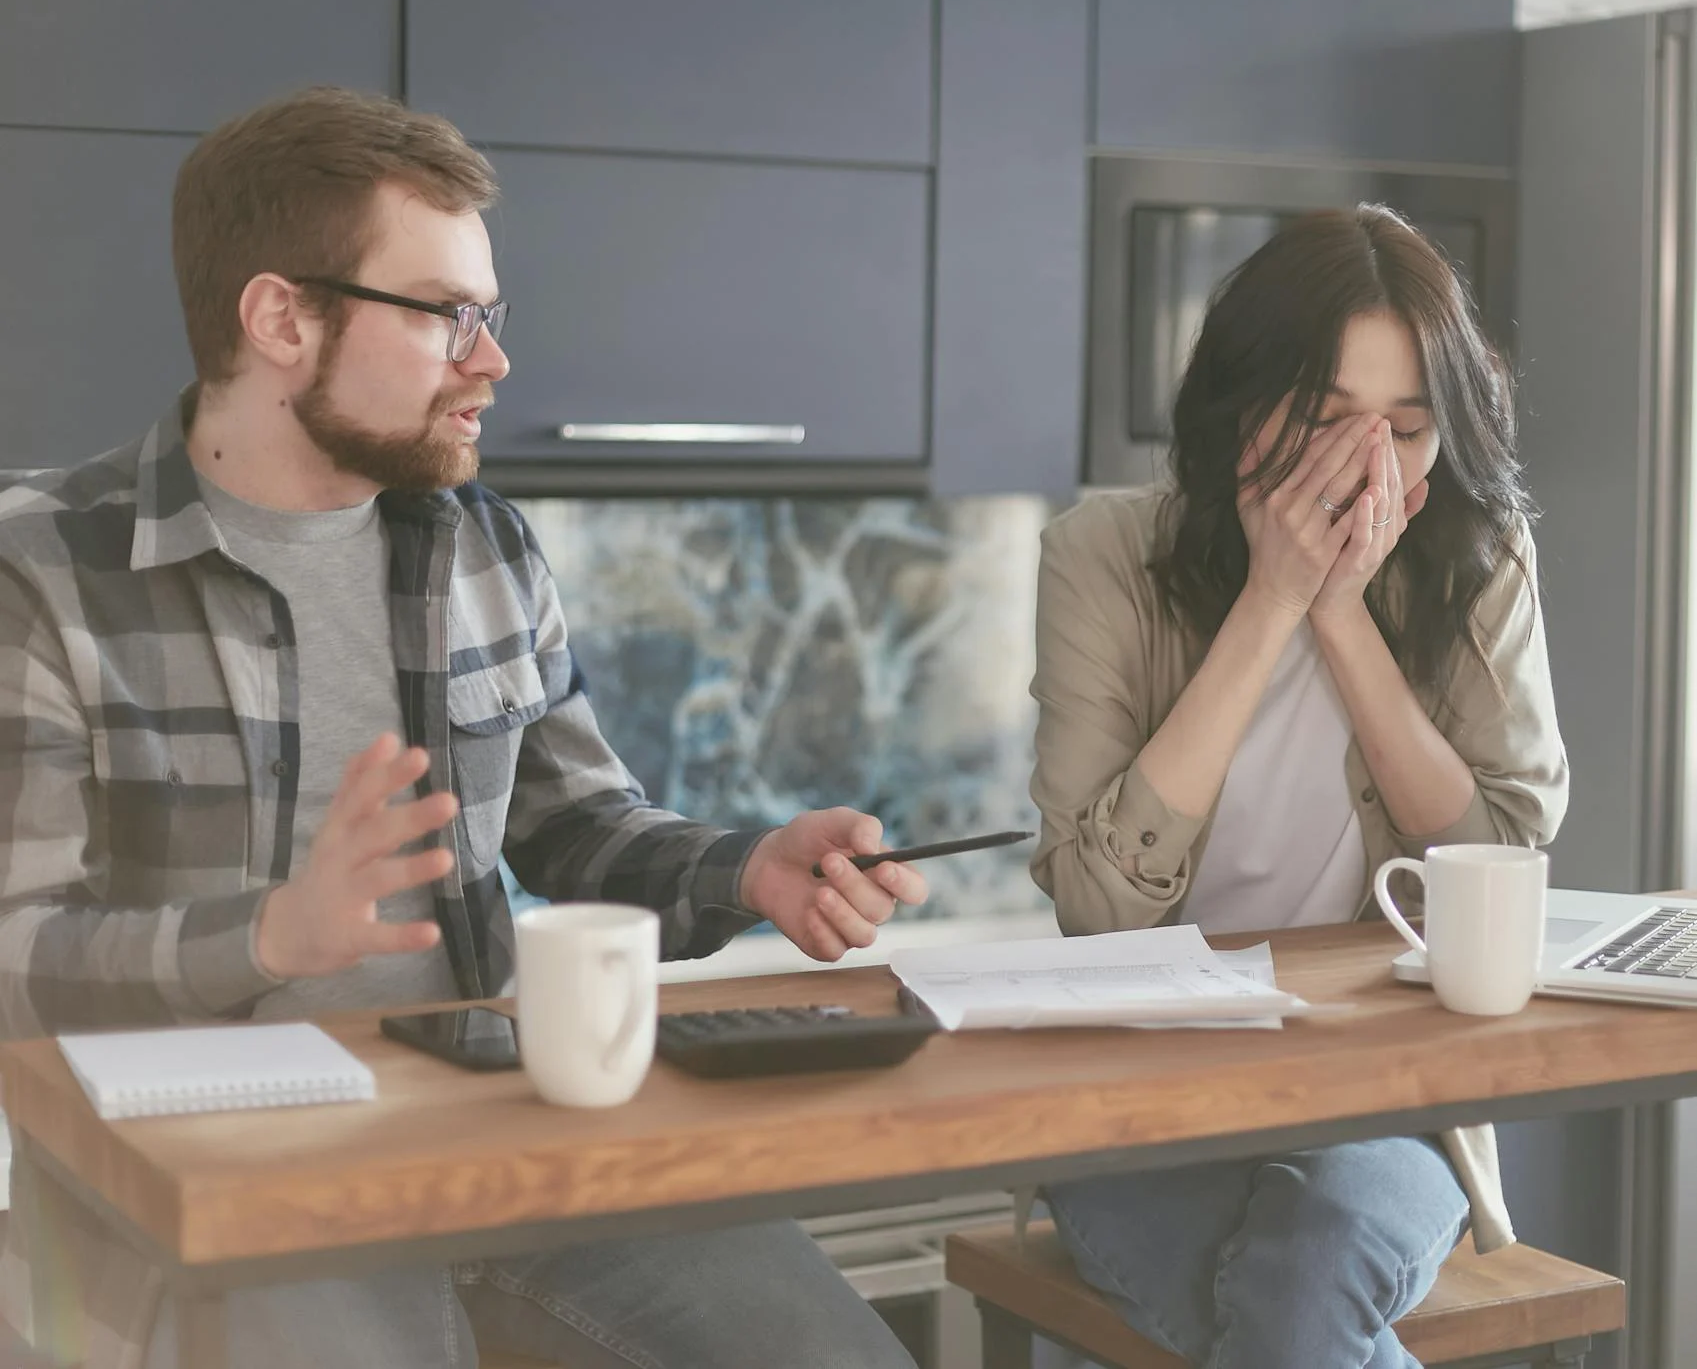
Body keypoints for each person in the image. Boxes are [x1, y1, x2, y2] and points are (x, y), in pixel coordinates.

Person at [0, 86, 929, 1369]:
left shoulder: (480, 541)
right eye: (446, 315)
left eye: (487, 316)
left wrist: (748, 870)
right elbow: (13, 956)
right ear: (281, 318)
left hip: (502, 1139)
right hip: (214, 1189)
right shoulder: (39, 570)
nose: (490, 360)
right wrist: (267, 936)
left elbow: (573, 826)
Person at [1027, 205, 1568, 1368]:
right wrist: (1270, 600)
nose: (1368, 469)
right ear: (1239, 412)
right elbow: (1096, 905)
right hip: (1138, 1099)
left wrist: (1336, 612)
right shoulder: (1099, 558)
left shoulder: (1479, 565)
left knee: (1297, 1285)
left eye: (1408, 431)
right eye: (1326, 423)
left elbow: (1501, 858)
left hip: (1383, 1097)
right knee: (1280, 1318)